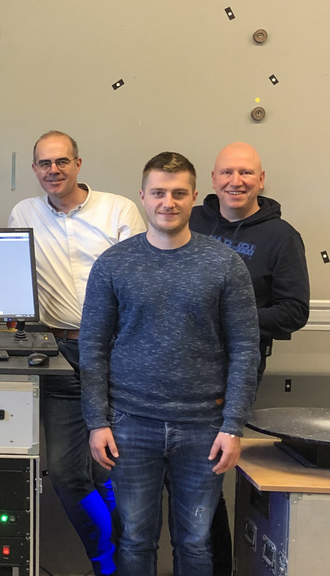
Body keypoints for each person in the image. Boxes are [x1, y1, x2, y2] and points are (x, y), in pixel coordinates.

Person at [81, 152, 260, 576]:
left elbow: (245, 348)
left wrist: (233, 425)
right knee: (134, 541)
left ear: (195, 197)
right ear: (142, 196)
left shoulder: (224, 264)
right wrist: (97, 421)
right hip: (129, 424)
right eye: (159, 193)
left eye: (179, 194)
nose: (168, 202)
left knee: (196, 544)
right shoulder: (114, 263)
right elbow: (93, 345)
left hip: (204, 427)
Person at [7, 130, 144, 576]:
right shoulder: (23, 213)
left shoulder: (119, 209)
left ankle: (125, 563)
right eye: (44, 164)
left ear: (78, 163)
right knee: (68, 473)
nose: (53, 170)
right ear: (34, 169)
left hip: (117, 352)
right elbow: (15, 277)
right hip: (59, 353)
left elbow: (141, 277)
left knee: (115, 470)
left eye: (62, 161)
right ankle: (109, 563)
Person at [188, 142, 310, 576]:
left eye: (245, 173)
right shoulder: (192, 220)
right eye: (226, 173)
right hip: (173, 368)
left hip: (233, 372)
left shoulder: (281, 237)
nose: (234, 182)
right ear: (213, 179)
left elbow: (294, 312)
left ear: (261, 180)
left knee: (204, 481)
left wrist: (231, 319)